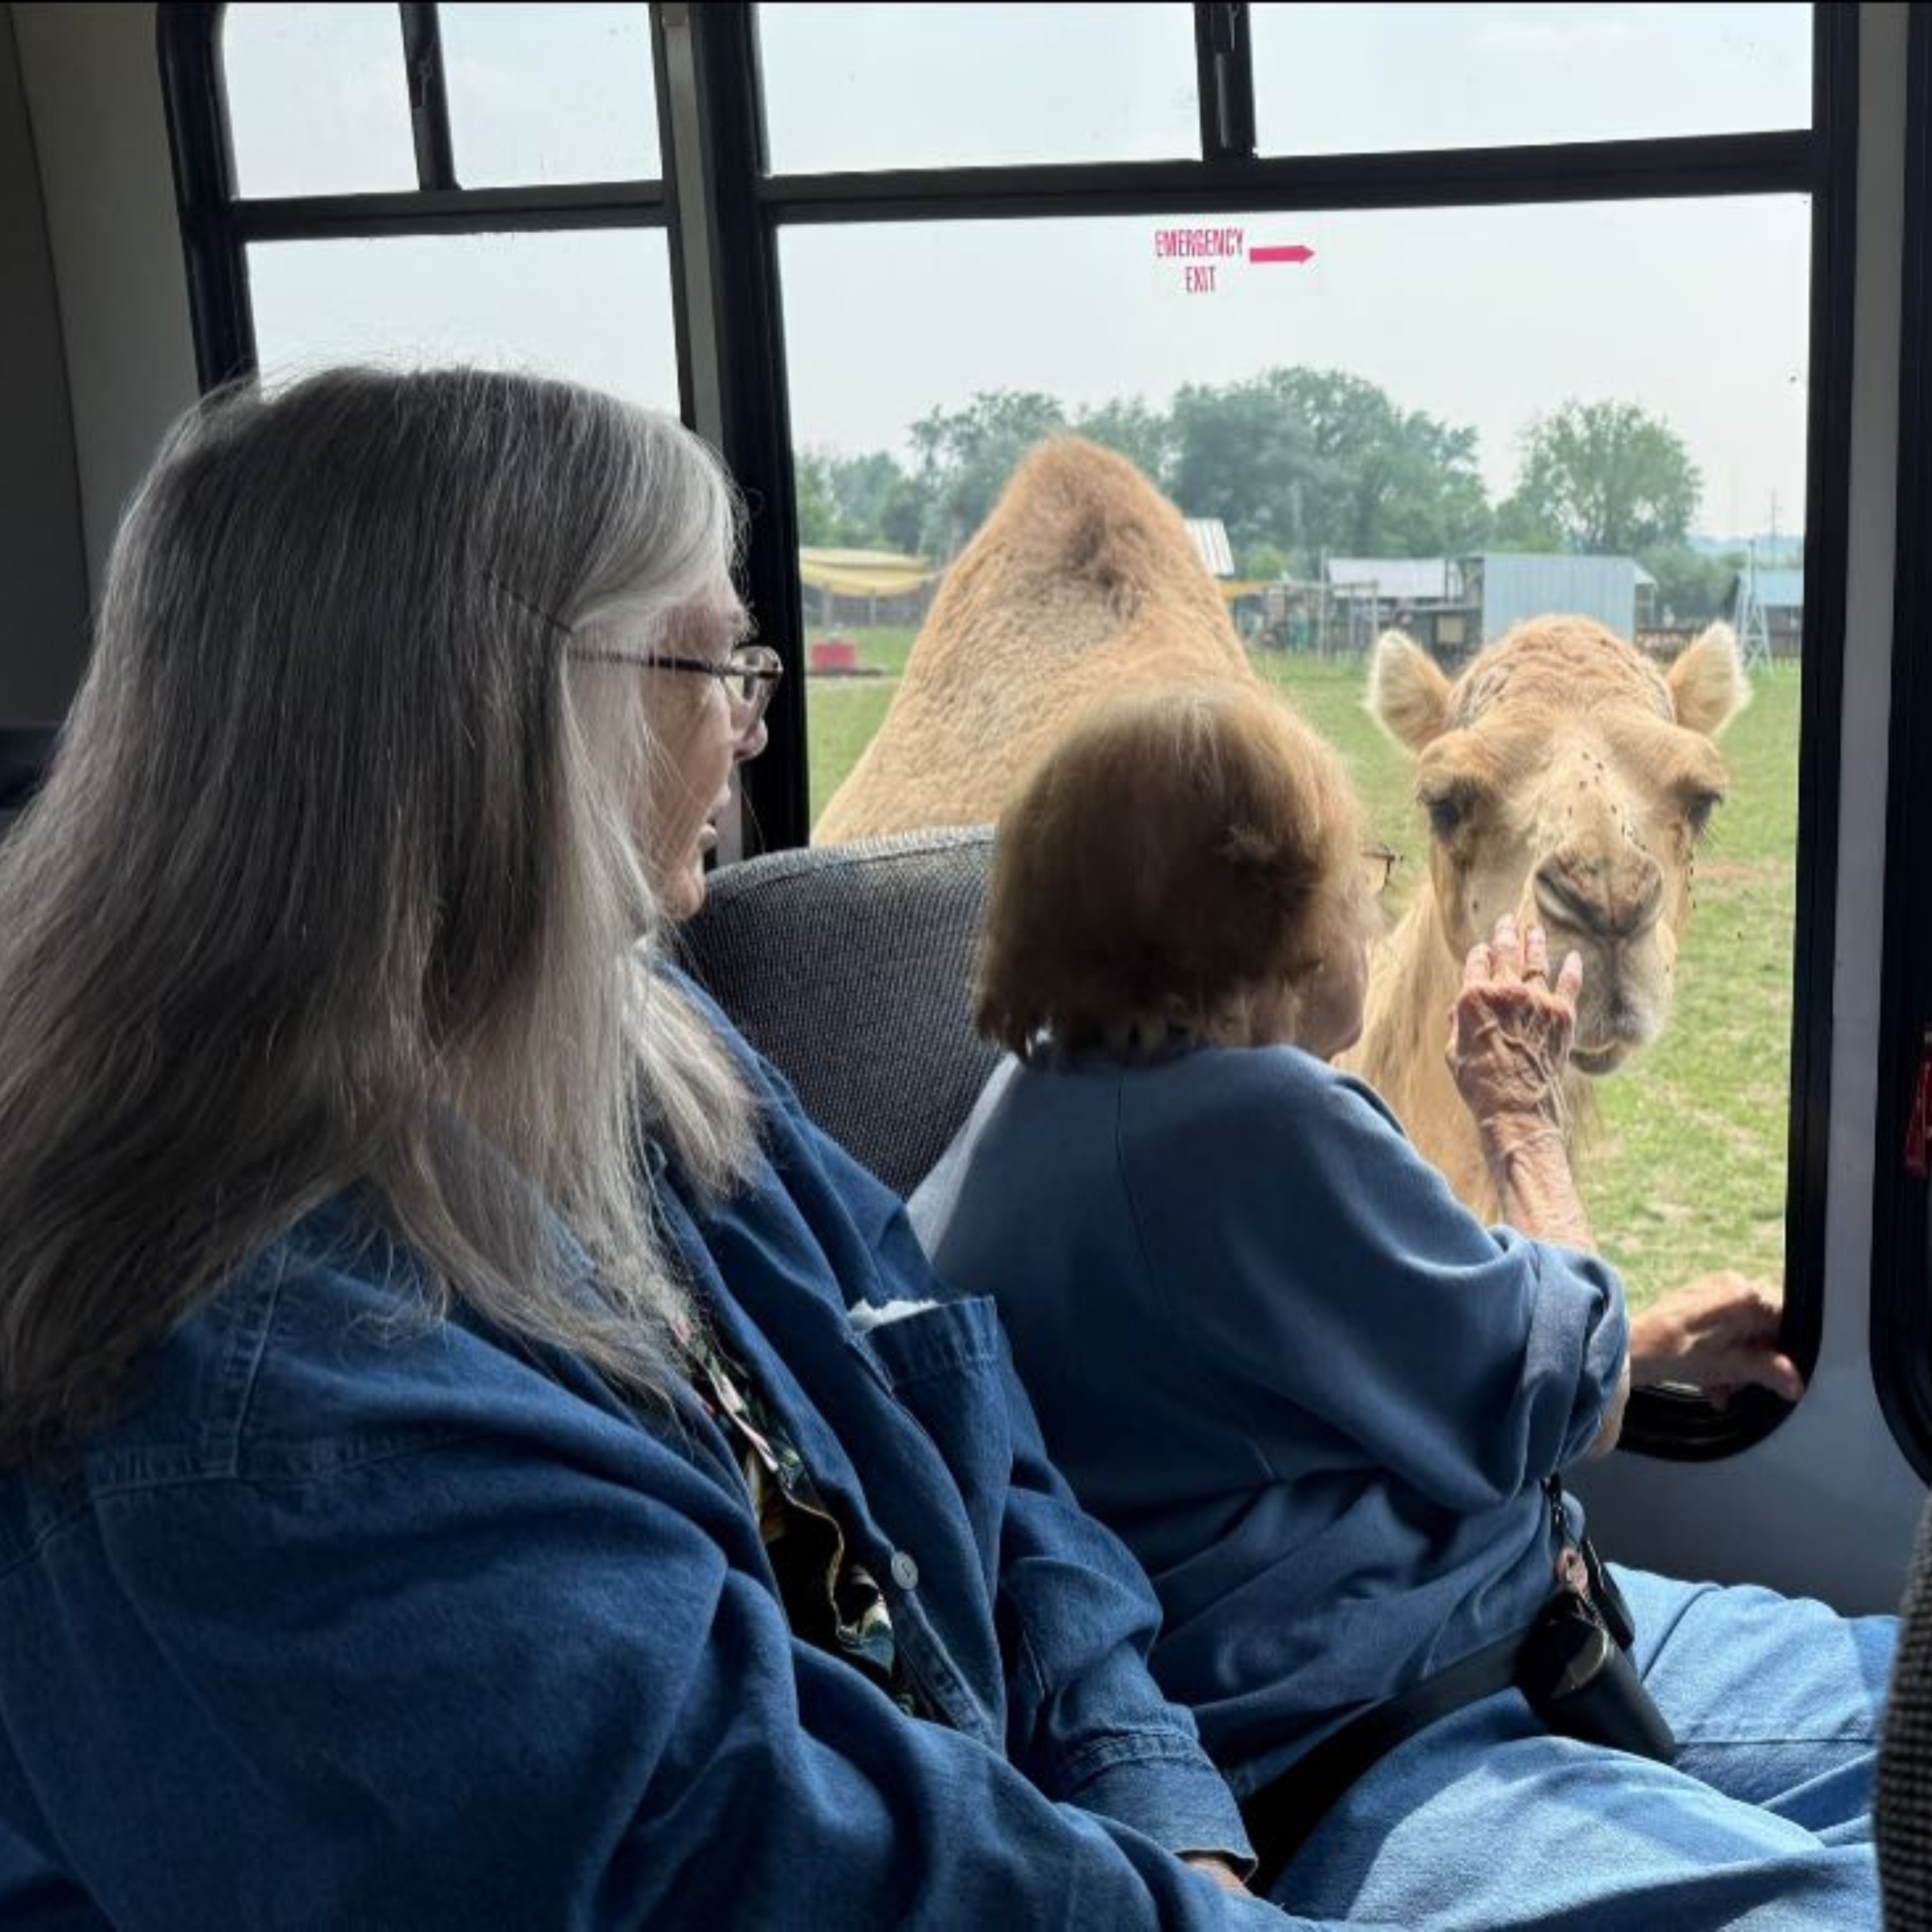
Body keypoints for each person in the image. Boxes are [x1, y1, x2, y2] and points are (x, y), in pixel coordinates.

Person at [0, 370, 1319, 1927]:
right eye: (709, 659)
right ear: (491, 717)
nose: (752, 719)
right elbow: (775, 1860)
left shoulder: (646, 1050)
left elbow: (995, 1454)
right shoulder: (277, 1426)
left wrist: (1156, 1797)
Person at [914, 682, 1895, 1929]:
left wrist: (1630, 1344)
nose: (1373, 909)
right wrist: (1522, 1118)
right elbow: (1571, 1405)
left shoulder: (1047, 1099)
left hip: (1450, 1647)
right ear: (1260, 911)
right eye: (1361, 869)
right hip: (1386, 1724)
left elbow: (1319, 1367)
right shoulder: (1250, 1120)